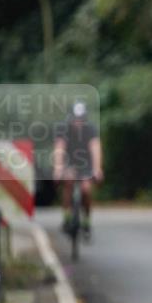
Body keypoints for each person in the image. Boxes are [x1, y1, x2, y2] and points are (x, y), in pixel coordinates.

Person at [52, 101, 103, 239]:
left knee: (86, 190)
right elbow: (59, 149)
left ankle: (86, 221)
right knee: (68, 183)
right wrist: (58, 169)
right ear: (71, 118)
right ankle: (67, 218)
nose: (78, 123)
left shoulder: (90, 129)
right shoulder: (64, 129)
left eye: (81, 120)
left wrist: (97, 169)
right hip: (69, 162)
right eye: (76, 120)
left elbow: (95, 149)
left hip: (86, 163)